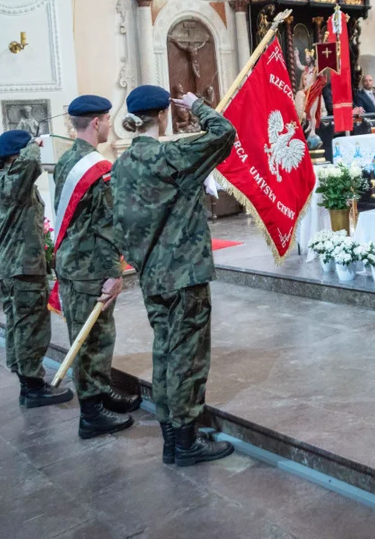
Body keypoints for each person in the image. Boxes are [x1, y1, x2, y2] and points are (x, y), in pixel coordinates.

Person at [111, 85, 237, 467]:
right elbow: (225, 133)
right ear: (163, 114)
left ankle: (171, 436)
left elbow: (119, 223)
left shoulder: (123, 164)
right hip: (184, 274)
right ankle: (186, 441)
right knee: (188, 357)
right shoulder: (172, 155)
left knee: (165, 352)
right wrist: (197, 106)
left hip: (152, 274)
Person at [52, 95, 139, 439]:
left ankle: (101, 393)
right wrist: (113, 273)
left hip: (73, 261)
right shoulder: (97, 169)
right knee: (91, 340)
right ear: (97, 122)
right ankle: (91, 413)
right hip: (90, 266)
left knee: (98, 334)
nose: (107, 125)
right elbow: (106, 226)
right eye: (106, 119)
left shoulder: (67, 160)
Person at [0, 130, 73, 408]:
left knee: (19, 325)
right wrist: (35, 144)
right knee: (30, 328)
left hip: (15, 266)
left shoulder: (9, 180)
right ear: (16, 156)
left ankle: (28, 383)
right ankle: (34, 387)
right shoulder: (14, 178)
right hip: (21, 268)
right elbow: (31, 163)